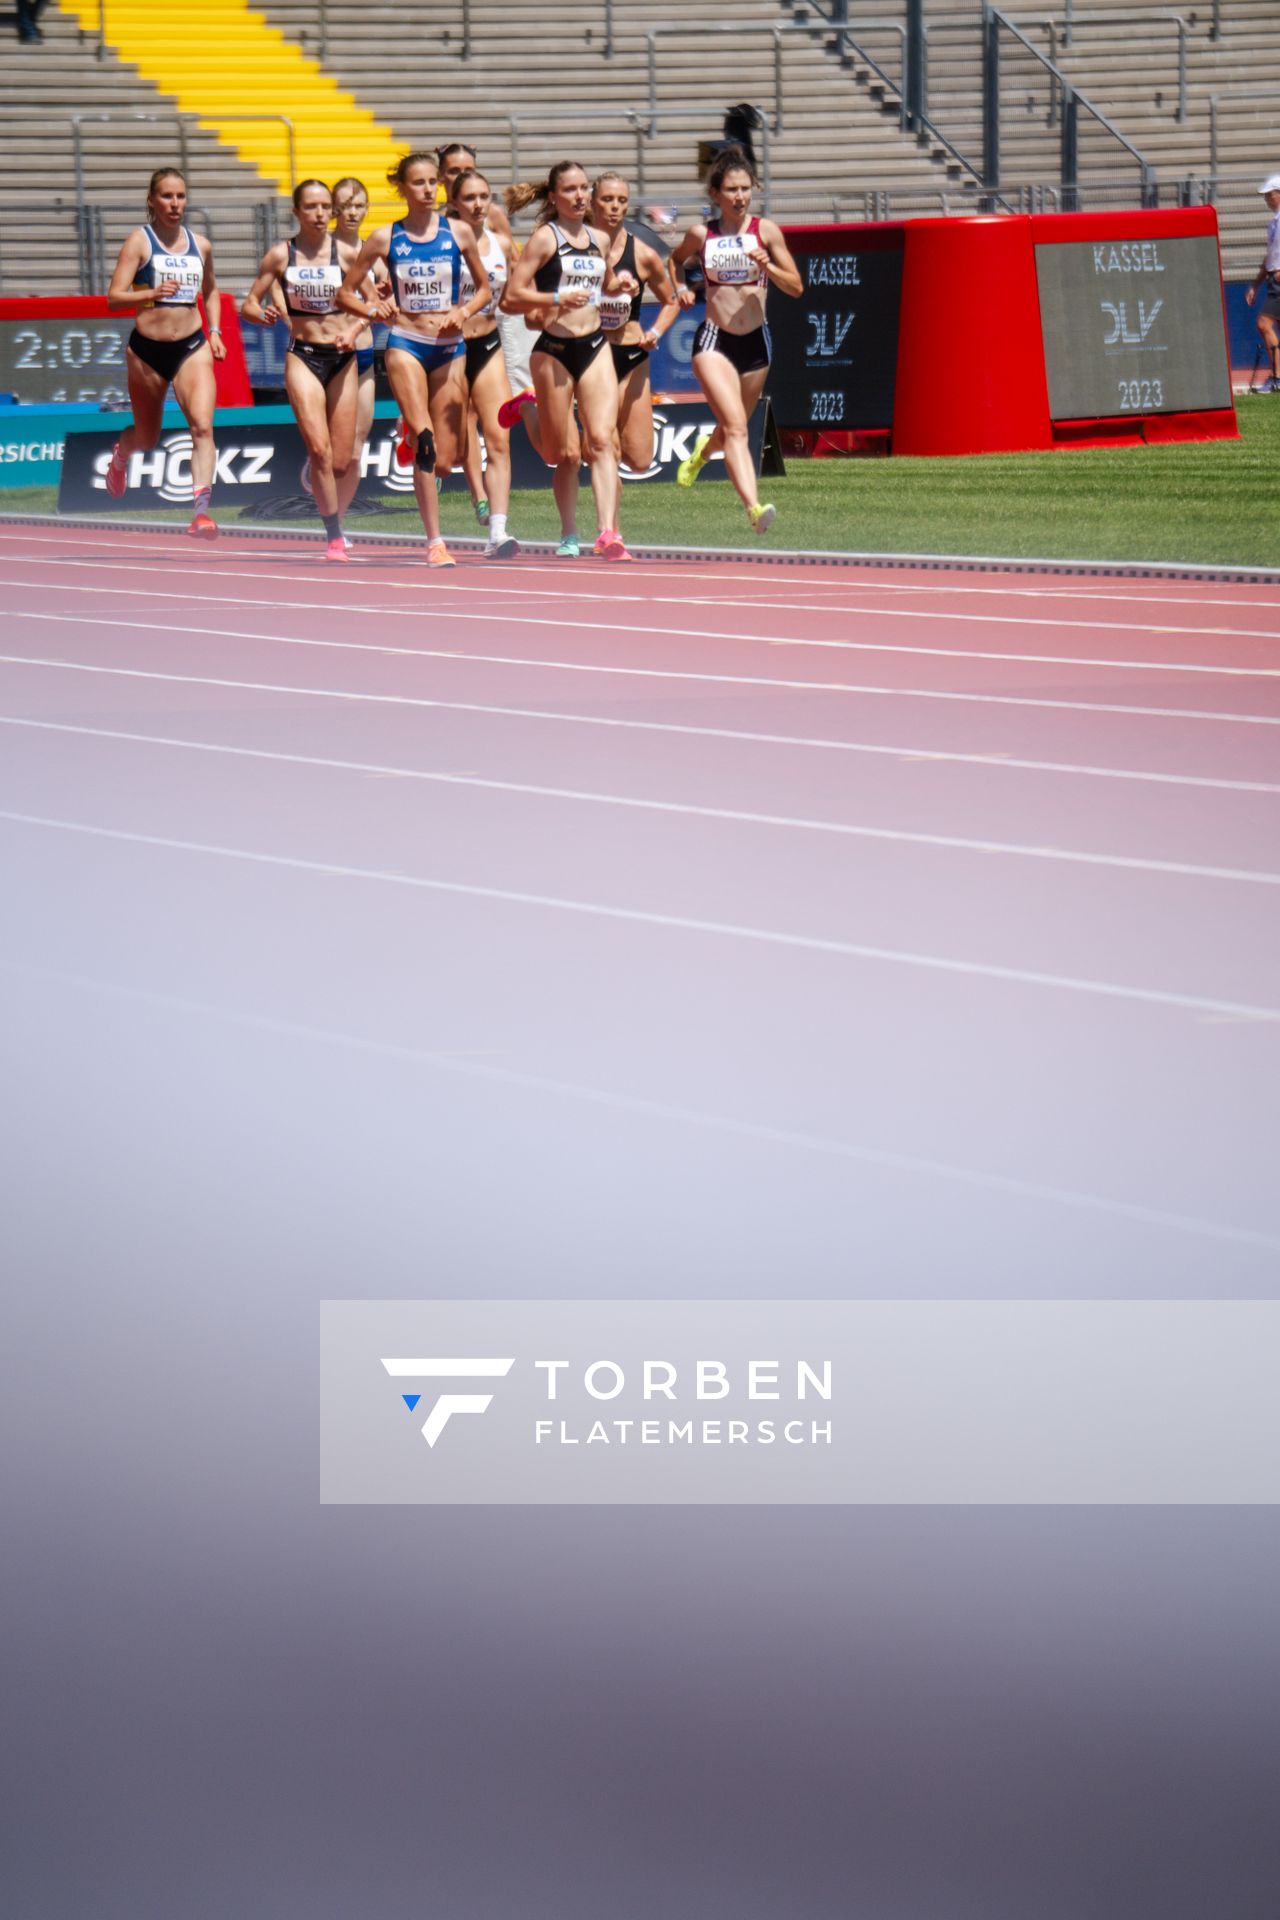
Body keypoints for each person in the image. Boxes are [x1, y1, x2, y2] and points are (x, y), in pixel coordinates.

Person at [337, 150, 493, 569]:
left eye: (432, 183)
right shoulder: (385, 238)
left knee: (445, 460)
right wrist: (373, 310)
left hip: (450, 348)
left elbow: (484, 289)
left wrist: (463, 310)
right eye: (419, 183)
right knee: (427, 445)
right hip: (405, 342)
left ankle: (410, 432)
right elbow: (345, 294)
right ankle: (435, 542)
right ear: (402, 189)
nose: (427, 190)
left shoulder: (458, 232)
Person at [503, 160, 639, 562]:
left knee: (601, 441)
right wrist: (556, 299)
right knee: (561, 454)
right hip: (554, 351)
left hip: (594, 345)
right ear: (554, 197)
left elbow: (607, 282)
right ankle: (527, 410)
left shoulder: (599, 238)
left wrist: (622, 285)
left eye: (583, 189)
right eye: (570, 190)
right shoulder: (546, 239)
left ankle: (608, 533)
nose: (579, 196)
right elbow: (511, 297)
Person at [666, 147, 801, 534]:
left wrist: (767, 265)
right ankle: (755, 509)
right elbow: (674, 261)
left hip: (756, 344)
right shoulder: (701, 234)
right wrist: (680, 290)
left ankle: (703, 452)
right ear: (715, 194)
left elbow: (795, 287)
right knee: (739, 430)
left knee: (731, 427)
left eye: (745, 189)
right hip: (714, 341)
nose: (740, 196)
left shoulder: (766, 231)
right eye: (731, 189)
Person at [243, 180, 365, 562]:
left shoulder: (345, 255)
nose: (319, 214)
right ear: (296, 212)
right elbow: (247, 301)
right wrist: (260, 315)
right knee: (320, 450)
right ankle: (333, 536)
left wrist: (356, 328)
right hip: (303, 356)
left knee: (342, 460)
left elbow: (377, 302)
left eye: (325, 207)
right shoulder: (282, 256)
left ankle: (322, 479)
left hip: (343, 360)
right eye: (310, 207)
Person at [104, 167, 226, 538]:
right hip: (147, 352)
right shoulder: (140, 241)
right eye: (167, 197)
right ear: (152, 201)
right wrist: (149, 294)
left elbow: (210, 292)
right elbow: (113, 298)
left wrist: (216, 330)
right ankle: (121, 455)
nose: (175, 204)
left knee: (203, 427)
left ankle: (201, 513)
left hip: (192, 345)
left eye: (180, 196)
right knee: (147, 436)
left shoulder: (200, 244)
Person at [449, 168, 520, 558]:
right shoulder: (442, 242)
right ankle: (413, 433)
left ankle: (498, 532)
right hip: (447, 349)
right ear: (456, 203)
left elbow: (510, 299)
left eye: (484, 197)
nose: (478, 205)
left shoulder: (502, 244)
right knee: (446, 453)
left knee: (499, 438)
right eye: (470, 198)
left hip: (488, 342)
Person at [591, 171, 679, 477]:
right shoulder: (578, 250)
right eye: (607, 199)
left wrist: (655, 332)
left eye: (621, 200)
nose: (615, 206)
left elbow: (672, 301)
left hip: (631, 354)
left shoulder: (642, 254)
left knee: (640, 459)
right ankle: (609, 525)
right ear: (593, 203)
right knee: (606, 448)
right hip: (591, 353)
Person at [331, 176, 385, 491]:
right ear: (334, 208)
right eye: (346, 205)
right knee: (329, 444)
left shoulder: (374, 254)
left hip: (362, 352)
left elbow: (389, 299)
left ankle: (338, 528)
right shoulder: (318, 251)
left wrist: (362, 322)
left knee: (355, 445)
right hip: (326, 355)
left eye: (359, 206)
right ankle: (327, 515)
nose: (353, 212)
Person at [1245, 173, 1280, 393]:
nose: (1267, 199)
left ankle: (1277, 378)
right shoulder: (1273, 224)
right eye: (1266, 195)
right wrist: (1255, 284)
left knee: (1264, 323)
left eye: (1271, 194)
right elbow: (1270, 257)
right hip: (1273, 279)